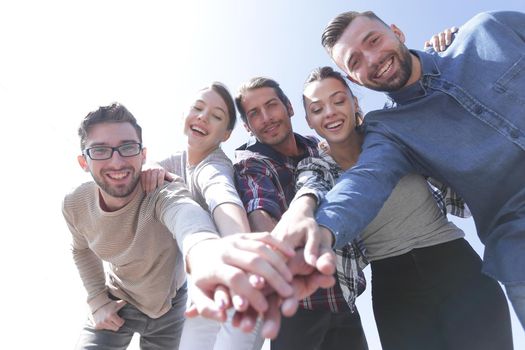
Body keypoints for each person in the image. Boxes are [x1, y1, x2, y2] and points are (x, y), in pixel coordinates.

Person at [276, 9, 525, 330]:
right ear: (355, 78)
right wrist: (320, 232)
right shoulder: (390, 130)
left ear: (397, 31)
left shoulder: (489, 30)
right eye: (355, 62)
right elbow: (364, 182)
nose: (373, 59)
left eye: (374, 40)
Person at [63, 103, 298, 349]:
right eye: (100, 150)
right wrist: (97, 300)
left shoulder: (161, 190)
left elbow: (188, 217)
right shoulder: (74, 204)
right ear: (83, 162)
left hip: (169, 309)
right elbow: (80, 249)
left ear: (142, 155)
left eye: (128, 147)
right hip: (119, 302)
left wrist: (210, 253)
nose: (117, 161)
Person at [233, 77, 368, 350]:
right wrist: (274, 243)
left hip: (343, 296)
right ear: (247, 127)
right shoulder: (251, 163)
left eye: (271, 106)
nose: (266, 118)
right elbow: (259, 207)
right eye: (254, 114)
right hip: (297, 306)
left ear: (290, 108)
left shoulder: (316, 146)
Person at [144, 82, 265, 350]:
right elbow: (147, 165)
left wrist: (239, 246)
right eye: (198, 108)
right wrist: (150, 167)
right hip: (204, 286)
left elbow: (221, 194)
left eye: (216, 116)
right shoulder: (178, 159)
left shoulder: (215, 165)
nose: (202, 117)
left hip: (239, 281)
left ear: (226, 134)